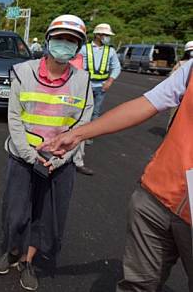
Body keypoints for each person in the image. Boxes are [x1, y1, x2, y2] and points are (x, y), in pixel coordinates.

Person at [40, 59, 193, 292]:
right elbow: (147, 103)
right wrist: (78, 134)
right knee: (137, 285)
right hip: (155, 197)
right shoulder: (191, 68)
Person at [0, 14, 93, 291]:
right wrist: (28, 154)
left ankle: (27, 261)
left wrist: (62, 157)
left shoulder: (83, 81)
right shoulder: (23, 72)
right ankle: (12, 250)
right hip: (23, 157)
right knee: (16, 213)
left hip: (59, 162)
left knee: (45, 218)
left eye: (71, 41)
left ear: (78, 47)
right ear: (48, 40)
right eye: (60, 38)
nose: (65, 45)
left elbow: (83, 124)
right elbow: (14, 117)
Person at [74, 22, 121, 175]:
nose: (107, 38)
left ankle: (89, 134)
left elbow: (117, 67)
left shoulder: (111, 51)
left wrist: (110, 81)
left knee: (96, 112)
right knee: (82, 112)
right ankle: (81, 133)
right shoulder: (84, 49)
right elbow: (77, 65)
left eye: (108, 36)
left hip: (101, 86)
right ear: (98, 35)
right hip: (86, 85)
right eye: (105, 35)